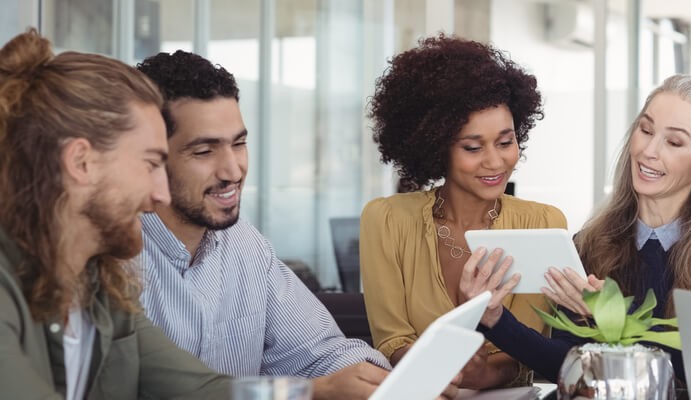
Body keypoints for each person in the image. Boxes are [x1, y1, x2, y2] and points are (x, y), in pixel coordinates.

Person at [134, 50, 403, 400]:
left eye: (239, 143)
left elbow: (320, 352)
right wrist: (309, 391)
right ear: (154, 156)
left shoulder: (243, 242)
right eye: (204, 151)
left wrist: (385, 384)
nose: (233, 171)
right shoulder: (116, 258)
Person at [461, 74, 691, 382]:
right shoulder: (589, 244)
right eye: (646, 130)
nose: (649, 151)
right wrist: (496, 319)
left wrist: (613, 319)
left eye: (674, 141)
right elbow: (565, 365)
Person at [0, 28, 232, 398]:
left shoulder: (101, 287)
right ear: (82, 162)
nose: (161, 195)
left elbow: (204, 390)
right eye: (151, 163)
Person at [360, 34, 567, 389]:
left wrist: (484, 374)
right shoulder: (386, 220)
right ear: (436, 146)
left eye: (506, 142)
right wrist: (441, 371)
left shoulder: (543, 224)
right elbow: (392, 340)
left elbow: (529, 348)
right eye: (473, 147)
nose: (495, 161)